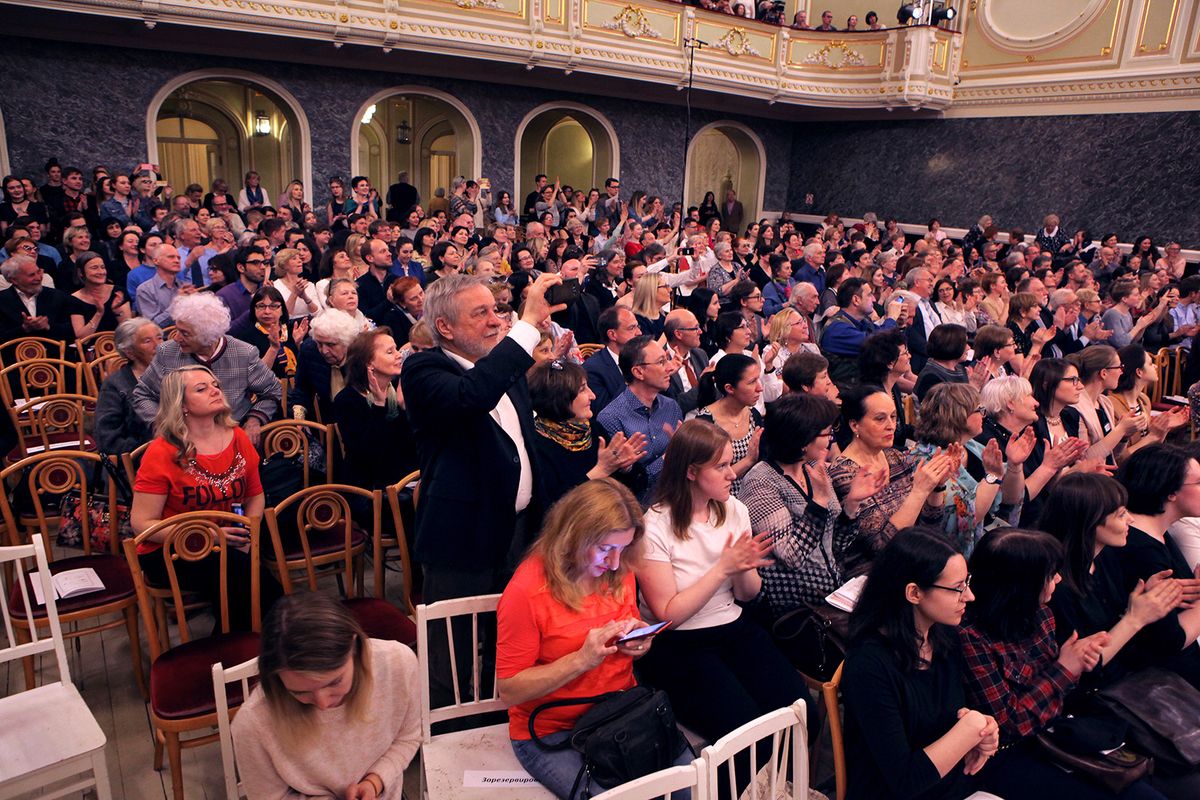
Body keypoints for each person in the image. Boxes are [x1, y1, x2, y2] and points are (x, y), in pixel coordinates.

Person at [400, 272, 564, 705]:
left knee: (510, 637)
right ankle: (444, 726)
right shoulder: (423, 370)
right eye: (481, 313)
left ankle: (497, 714)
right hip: (463, 534)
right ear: (445, 327)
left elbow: (523, 446)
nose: (495, 320)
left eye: (496, 310)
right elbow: (471, 396)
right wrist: (526, 326)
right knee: (452, 649)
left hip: (519, 530)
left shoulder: (502, 367)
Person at [497, 479, 692, 800]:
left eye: (623, 549)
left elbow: (626, 637)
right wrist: (580, 660)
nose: (615, 562)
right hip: (552, 729)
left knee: (686, 785)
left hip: (619, 712)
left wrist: (637, 643)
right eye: (604, 548)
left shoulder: (618, 570)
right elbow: (509, 690)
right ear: (572, 537)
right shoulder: (527, 590)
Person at [634, 420, 812, 769]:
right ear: (691, 472)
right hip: (679, 643)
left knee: (800, 714)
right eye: (721, 466)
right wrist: (722, 568)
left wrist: (744, 568)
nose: (733, 474)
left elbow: (747, 594)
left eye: (731, 463)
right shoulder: (655, 525)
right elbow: (668, 615)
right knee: (747, 739)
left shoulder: (734, 509)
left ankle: (781, 788)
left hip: (732, 625)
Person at [959, 528, 1167, 800]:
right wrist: (1065, 669)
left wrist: (1078, 663)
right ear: (1022, 584)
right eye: (1049, 575)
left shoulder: (1041, 614)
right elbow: (1011, 723)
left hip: (1060, 731)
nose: (1058, 578)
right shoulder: (971, 638)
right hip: (1008, 755)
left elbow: (1061, 695)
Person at [841, 528, 999, 800]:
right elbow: (904, 781)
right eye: (957, 588)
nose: (969, 596)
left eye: (967, 582)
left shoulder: (945, 636)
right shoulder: (868, 665)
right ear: (914, 593)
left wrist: (984, 731)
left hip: (949, 786)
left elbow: (955, 719)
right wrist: (968, 730)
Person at [130, 365, 280, 631]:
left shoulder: (238, 437)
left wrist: (248, 533)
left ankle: (236, 646)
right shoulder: (162, 452)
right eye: (201, 389)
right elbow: (141, 524)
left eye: (215, 385)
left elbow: (255, 497)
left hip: (230, 541)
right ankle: (256, 641)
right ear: (181, 404)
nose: (215, 391)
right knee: (243, 575)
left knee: (243, 572)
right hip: (172, 548)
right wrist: (210, 536)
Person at [232, 592, 421, 800]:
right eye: (299, 692)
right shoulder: (253, 724)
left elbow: (408, 737)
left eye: (334, 682)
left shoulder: (398, 665)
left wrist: (374, 782)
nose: (322, 704)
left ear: (354, 647)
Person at [738, 393, 883, 622]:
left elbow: (836, 546)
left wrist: (852, 503)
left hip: (831, 594)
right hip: (794, 609)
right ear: (803, 440)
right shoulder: (761, 482)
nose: (831, 440)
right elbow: (792, 557)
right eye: (826, 434)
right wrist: (819, 503)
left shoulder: (812, 467)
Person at [1100, 445, 1200, 688]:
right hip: (1166, 683)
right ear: (1171, 491)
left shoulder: (1156, 534)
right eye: (1199, 482)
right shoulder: (1142, 550)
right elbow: (1170, 641)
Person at [829, 384, 954, 576]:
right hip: (872, 575)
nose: (891, 425)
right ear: (855, 425)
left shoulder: (895, 457)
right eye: (880, 419)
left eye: (893, 417)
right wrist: (919, 491)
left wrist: (937, 486)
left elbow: (930, 525)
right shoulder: (843, 474)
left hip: (911, 561)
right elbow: (881, 547)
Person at [131, 292, 281, 446]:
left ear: (208, 337)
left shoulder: (244, 353)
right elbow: (142, 394)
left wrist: (255, 419)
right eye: (177, 329)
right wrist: (161, 424)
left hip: (232, 438)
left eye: (185, 333)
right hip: (183, 442)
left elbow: (272, 390)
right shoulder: (167, 352)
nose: (176, 338)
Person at [915, 383, 1028, 555]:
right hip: (947, 555)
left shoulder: (973, 446)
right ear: (959, 416)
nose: (984, 415)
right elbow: (965, 520)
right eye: (979, 410)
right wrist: (992, 476)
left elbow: (1009, 499)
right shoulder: (928, 459)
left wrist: (1014, 465)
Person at [527, 358, 647, 507]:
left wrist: (625, 467)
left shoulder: (592, 428)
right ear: (559, 397)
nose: (592, 395)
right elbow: (554, 508)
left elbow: (633, 489)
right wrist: (600, 470)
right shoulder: (537, 445)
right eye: (582, 389)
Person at [595, 336, 684, 500]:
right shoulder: (611, 418)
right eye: (661, 362)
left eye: (667, 360)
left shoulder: (671, 407)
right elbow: (628, 485)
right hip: (638, 505)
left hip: (676, 497)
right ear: (638, 372)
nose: (670, 367)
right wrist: (670, 456)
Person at [333, 327, 417, 490]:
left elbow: (413, 447)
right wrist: (379, 406)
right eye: (390, 352)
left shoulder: (400, 390)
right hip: (369, 489)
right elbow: (368, 455)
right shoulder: (347, 400)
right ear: (369, 363)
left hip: (408, 482)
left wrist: (405, 408)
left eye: (396, 349)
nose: (399, 355)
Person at [692, 354, 762, 493]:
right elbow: (709, 476)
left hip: (754, 491)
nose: (760, 388)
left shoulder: (753, 414)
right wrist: (748, 460)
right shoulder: (706, 423)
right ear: (730, 388)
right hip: (721, 497)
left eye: (758, 379)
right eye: (752, 382)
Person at [95, 317, 162, 454]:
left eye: (160, 338)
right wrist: (153, 446)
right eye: (147, 341)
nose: (158, 345)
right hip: (141, 456)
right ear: (130, 352)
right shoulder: (115, 385)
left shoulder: (179, 374)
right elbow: (108, 440)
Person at [0, 254, 96, 344]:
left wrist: (48, 326)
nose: (38, 278)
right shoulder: (2, 300)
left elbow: (73, 331)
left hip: (55, 354)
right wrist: (23, 329)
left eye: (39, 272)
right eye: (31, 275)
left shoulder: (59, 297)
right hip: (13, 355)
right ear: (14, 280)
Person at [228, 286, 304, 378]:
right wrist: (273, 348)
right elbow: (255, 376)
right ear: (254, 309)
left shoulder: (294, 329)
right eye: (261, 306)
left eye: (273, 306)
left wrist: (299, 344)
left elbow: (308, 367)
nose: (267, 311)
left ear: (282, 309)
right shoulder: (245, 337)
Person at [69, 251, 130, 338]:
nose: (101, 272)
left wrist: (117, 311)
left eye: (102, 267)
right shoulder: (74, 299)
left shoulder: (118, 292)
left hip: (118, 344)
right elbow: (82, 338)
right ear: (80, 272)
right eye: (94, 268)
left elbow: (128, 332)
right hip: (91, 346)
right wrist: (99, 313)